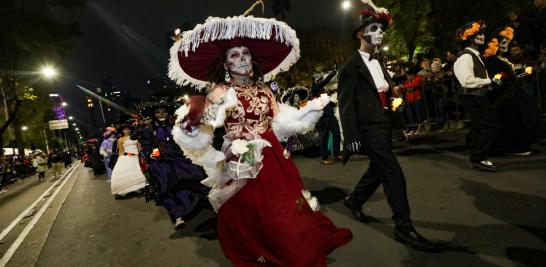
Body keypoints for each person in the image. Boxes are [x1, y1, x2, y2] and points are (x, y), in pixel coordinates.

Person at [169, 12, 352, 266]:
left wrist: (309, 109)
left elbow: (281, 121)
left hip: (274, 155)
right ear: (225, 64)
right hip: (243, 159)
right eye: (235, 54)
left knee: (286, 206)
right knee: (261, 212)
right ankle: (276, 249)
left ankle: (295, 246)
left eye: (245, 53)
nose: (242, 58)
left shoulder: (264, 89)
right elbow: (205, 124)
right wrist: (193, 126)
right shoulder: (221, 91)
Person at [337, 0, 441, 253]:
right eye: (374, 28)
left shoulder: (380, 60)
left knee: (378, 168)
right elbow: (346, 103)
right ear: (361, 34)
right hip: (368, 127)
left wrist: (395, 96)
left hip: (383, 122)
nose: (380, 33)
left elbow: (384, 88)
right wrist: (350, 137)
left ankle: (354, 200)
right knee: (393, 173)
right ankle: (403, 227)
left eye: (381, 29)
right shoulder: (350, 66)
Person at [137, 100, 207, 230]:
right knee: (166, 185)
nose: (161, 114)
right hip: (159, 162)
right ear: (154, 114)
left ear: (168, 113)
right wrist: (150, 153)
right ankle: (177, 216)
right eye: (158, 112)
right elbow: (145, 147)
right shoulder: (148, 130)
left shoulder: (175, 126)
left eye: (163, 112)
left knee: (189, 176)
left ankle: (194, 202)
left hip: (177, 157)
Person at [483, 26, 546, 155]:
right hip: (502, 96)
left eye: (507, 41)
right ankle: (509, 147)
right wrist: (504, 77)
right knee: (509, 121)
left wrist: (528, 70)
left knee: (520, 118)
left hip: (511, 93)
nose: (506, 44)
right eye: (503, 41)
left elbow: (515, 72)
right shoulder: (493, 59)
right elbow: (497, 77)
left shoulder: (503, 58)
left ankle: (516, 145)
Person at [453, 20, 501, 171]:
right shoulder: (465, 58)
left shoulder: (474, 55)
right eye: (478, 33)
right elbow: (467, 81)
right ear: (469, 37)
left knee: (480, 125)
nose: (482, 36)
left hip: (477, 96)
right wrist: (489, 81)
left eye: (482, 33)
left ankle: (477, 155)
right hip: (472, 96)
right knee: (491, 125)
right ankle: (479, 156)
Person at [311, 66, 342, 164]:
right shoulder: (315, 88)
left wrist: (332, 103)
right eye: (320, 79)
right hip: (322, 117)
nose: (322, 80)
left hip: (329, 115)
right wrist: (333, 72)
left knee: (336, 133)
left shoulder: (322, 90)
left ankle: (336, 154)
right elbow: (326, 80)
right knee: (323, 137)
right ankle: (324, 158)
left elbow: (325, 101)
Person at [111, 124, 147, 198]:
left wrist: (141, 155)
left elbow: (139, 148)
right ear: (122, 131)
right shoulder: (120, 140)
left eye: (128, 129)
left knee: (139, 171)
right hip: (127, 156)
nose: (127, 131)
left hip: (137, 156)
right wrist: (121, 160)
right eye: (125, 129)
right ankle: (127, 190)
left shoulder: (135, 137)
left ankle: (139, 188)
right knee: (128, 174)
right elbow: (121, 152)